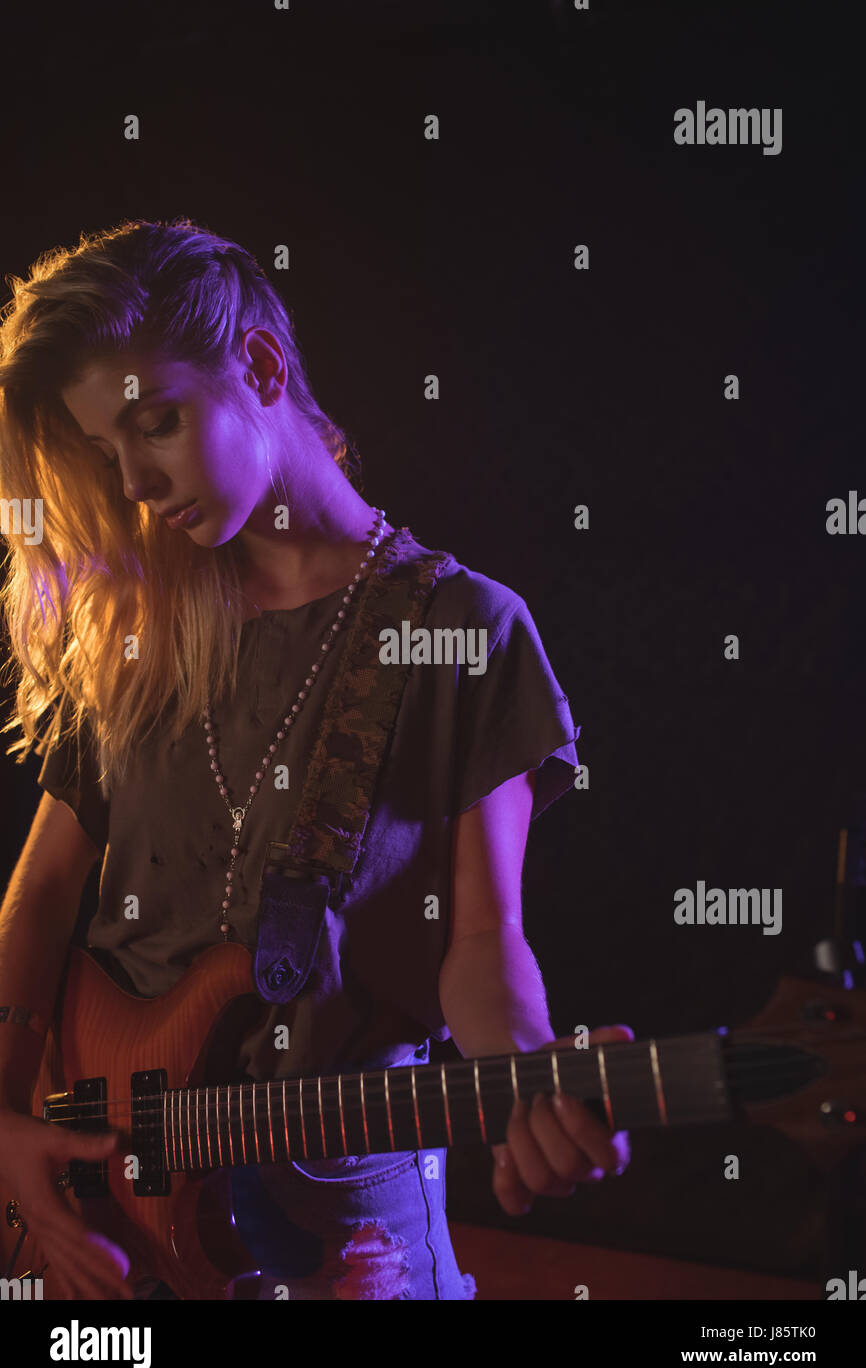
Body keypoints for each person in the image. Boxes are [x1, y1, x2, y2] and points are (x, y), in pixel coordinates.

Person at [0, 218, 630, 1301]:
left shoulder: (463, 627)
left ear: (256, 364)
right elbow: (41, 898)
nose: (136, 482)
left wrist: (529, 1081)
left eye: (154, 423)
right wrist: (6, 1128)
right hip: (102, 1214)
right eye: (109, 453)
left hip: (340, 1223)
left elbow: (482, 945)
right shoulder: (138, 624)